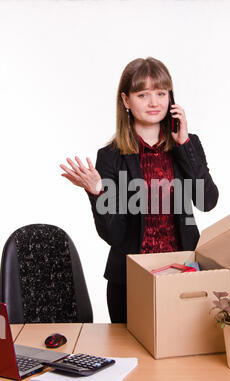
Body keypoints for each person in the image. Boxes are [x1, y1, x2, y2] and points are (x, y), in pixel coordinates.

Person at [60, 57, 219, 323]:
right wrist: (97, 190)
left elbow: (207, 202)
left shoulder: (188, 144)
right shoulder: (111, 157)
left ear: (171, 97)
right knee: (135, 359)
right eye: (142, 94)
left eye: (161, 93)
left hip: (182, 276)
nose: (154, 102)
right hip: (131, 281)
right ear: (126, 101)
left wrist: (185, 146)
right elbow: (114, 234)